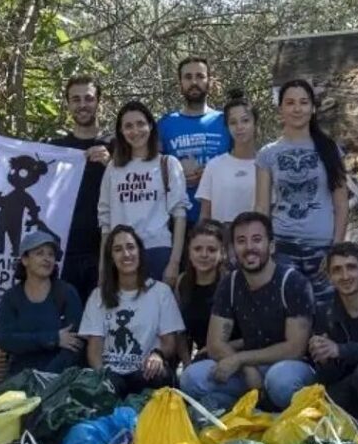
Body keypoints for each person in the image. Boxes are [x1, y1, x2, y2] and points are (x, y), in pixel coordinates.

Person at [180, 212, 317, 410]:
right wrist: (246, 368)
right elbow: (215, 343)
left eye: (257, 240)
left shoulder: (293, 283)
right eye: (241, 241)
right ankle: (244, 407)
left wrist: (241, 359)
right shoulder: (231, 283)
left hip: (290, 366)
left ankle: (273, 413)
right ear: (234, 249)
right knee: (191, 378)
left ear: (271, 246)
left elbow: (295, 349)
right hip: (251, 367)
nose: (249, 248)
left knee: (280, 382)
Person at [255, 79, 348, 301]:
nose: (297, 108)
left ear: (313, 108)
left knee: (325, 314)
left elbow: (341, 204)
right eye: (290, 103)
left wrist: (336, 248)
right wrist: (263, 247)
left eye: (304, 102)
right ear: (281, 109)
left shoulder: (330, 149)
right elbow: (261, 206)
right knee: (289, 315)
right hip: (283, 246)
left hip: (322, 247)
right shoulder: (268, 153)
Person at [78, 225, 183, 395]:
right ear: (111, 257)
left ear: (140, 252)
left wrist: (157, 355)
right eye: (118, 249)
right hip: (111, 374)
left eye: (131, 247)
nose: (126, 254)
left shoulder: (161, 292)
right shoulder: (98, 296)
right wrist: (102, 376)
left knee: (158, 376)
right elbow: (94, 349)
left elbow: (170, 343)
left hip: (146, 372)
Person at [98, 100, 188, 286]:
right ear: (121, 132)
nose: (135, 131)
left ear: (151, 126)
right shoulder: (113, 169)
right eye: (128, 126)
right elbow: (105, 223)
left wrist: (174, 262)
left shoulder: (168, 164)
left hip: (157, 251)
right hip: (121, 254)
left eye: (140, 124)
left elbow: (179, 215)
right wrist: (103, 268)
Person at [310, 242, 358, 418]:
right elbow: (328, 376)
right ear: (330, 277)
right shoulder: (325, 311)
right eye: (337, 270)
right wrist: (322, 357)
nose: (345, 276)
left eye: (351, 267)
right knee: (316, 406)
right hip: (347, 381)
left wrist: (341, 350)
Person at [50, 75, 112, 303]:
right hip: (66, 250)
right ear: (67, 104)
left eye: (88, 98)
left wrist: (112, 165)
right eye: (75, 99)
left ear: (99, 103)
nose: (82, 104)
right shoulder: (54, 149)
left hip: (107, 250)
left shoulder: (116, 146)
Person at [0, 231, 83, 375]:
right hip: (19, 379)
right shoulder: (11, 297)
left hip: (59, 380)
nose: (47, 259)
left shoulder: (67, 293)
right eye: (39, 253)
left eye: (51, 254)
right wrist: (53, 338)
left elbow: (75, 346)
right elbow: (5, 339)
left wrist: (45, 377)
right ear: (25, 260)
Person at [158, 56, 230, 226]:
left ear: (209, 81)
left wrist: (214, 174)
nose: (194, 82)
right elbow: (152, 172)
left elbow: (243, 163)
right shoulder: (165, 124)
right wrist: (176, 175)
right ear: (180, 83)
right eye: (188, 77)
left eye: (200, 76)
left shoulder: (226, 121)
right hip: (178, 222)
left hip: (221, 219)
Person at [196, 98, 257, 233]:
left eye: (245, 120)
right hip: (221, 246)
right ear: (227, 127)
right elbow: (205, 215)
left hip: (254, 246)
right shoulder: (214, 166)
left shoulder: (264, 165)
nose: (239, 127)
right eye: (233, 122)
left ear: (255, 124)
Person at [176, 220, 226, 366]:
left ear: (222, 253)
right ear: (189, 253)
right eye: (197, 249)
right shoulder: (182, 283)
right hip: (199, 360)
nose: (204, 255)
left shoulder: (231, 283)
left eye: (211, 250)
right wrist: (186, 363)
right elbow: (180, 331)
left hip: (229, 356)